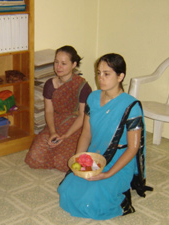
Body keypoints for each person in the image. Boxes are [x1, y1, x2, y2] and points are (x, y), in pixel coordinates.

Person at [58, 53, 152, 220]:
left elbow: (133, 148)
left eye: (106, 74)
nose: (100, 78)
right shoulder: (93, 98)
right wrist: (79, 159)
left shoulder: (131, 106)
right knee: (67, 190)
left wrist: (108, 174)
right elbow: (86, 133)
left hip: (119, 161)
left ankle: (121, 193)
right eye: (98, 73)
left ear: (120, 76)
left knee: (93, 200)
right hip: (95, 158)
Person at [25, 45, 92, 172]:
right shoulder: (49, 84)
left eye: (63, 63)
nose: (58, 67)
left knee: (63, 162)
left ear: (73, 65)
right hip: (56, 122)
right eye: (56, 62)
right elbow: (49, 111)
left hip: (75, 125)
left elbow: (83, 116)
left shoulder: (82, 86)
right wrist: (53, 132)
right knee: (34, 158)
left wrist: (66, 136)